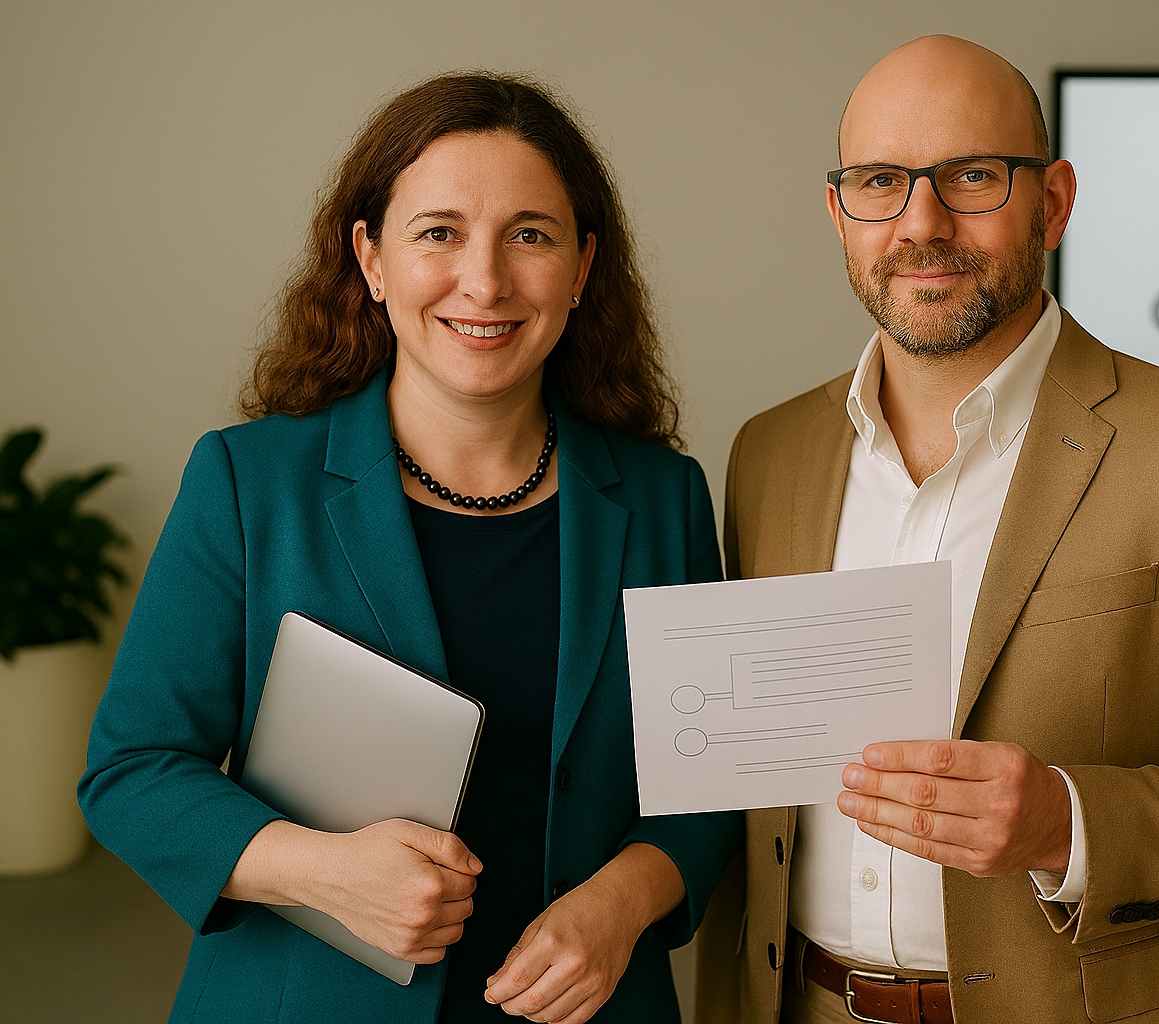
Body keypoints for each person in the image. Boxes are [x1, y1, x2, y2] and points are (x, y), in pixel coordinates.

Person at [694, 35, 1159, 1024]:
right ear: (840, 211)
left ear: (1053, 200)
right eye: (881, 181)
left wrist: (1071, 821)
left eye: (972, 176)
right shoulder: (768, 454)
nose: (922, 223)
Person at [79, 72, 740, 1024]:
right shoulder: (246, 482)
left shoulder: (664, 495)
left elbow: (707, 793)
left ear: (582, 267)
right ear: (372, 258)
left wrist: (620, 904)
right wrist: (324, 871)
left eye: (530, 235)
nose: (485, 281)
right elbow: (132, 771)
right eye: (439, 232)